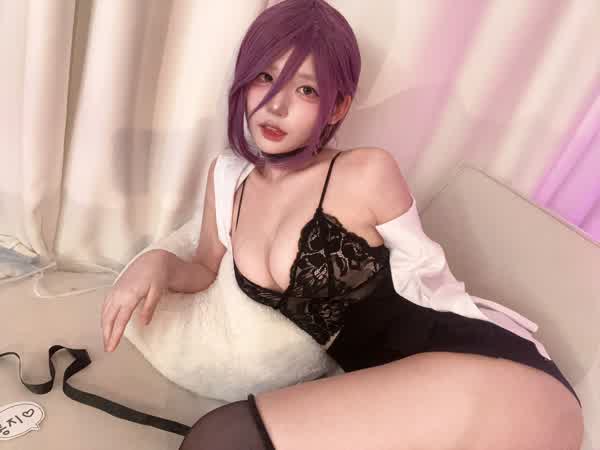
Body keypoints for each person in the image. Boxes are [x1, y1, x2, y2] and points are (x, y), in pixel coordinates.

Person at [101, 1, 584, 448]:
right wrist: (157, 264)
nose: (277, 104)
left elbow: (431, 282)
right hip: (389, 394)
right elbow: (206, 266)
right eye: (265, 76)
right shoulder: (228, 178)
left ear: (336, 107)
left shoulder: (365, 173)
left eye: (305, 89)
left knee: (222, 438)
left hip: (489, 377)